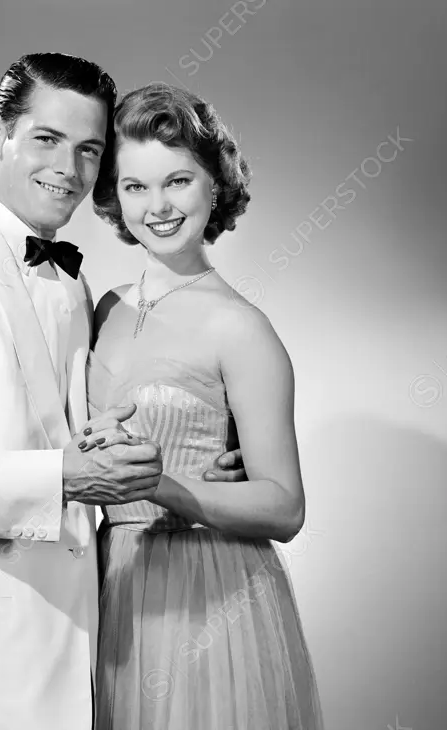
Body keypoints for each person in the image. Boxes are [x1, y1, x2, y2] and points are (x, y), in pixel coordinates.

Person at [0, 56, 244, 730]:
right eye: (47, 139)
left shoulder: (75, 288)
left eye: (89, 150)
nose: (70, 168)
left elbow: (72, 436)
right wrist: (64, 475)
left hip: (80, 639)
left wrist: (181, 469)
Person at [86, 83, 325, 729]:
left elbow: (285, 505)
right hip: (110, 589)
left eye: (178, 181)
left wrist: (164, 484)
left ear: (215, 185)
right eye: (135, 187)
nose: (157, 206)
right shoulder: (100, 309)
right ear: (114, 199)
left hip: (206, 596)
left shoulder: (240, 327)